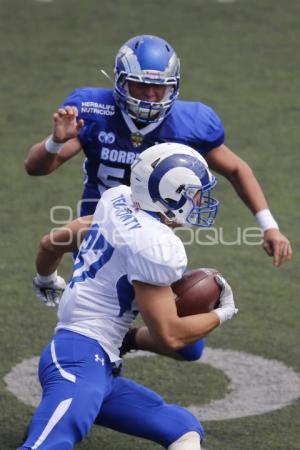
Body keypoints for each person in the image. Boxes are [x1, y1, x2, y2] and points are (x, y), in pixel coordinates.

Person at [21, 143, 237, 450]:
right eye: (195, 193)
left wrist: (46, 278)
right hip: (78, 359)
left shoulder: (118, 198)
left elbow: (50, 243)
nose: (201, 200)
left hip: (101, 363)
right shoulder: (157, 247)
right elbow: (172, 338)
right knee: (49, 444)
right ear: (172, 195)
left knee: (184, 430)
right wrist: (223, 312)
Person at [24, 34, 291, 268]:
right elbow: (34, 168)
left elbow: (236, 170)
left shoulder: (191, 123)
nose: (151, 94)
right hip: (98, 228)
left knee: (170, 315)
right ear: (121, 81)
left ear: (172, 86)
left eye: (159, 86)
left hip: (153, 234)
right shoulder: (94, 111)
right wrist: (55, 142)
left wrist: (270, 226)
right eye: (141, 84)